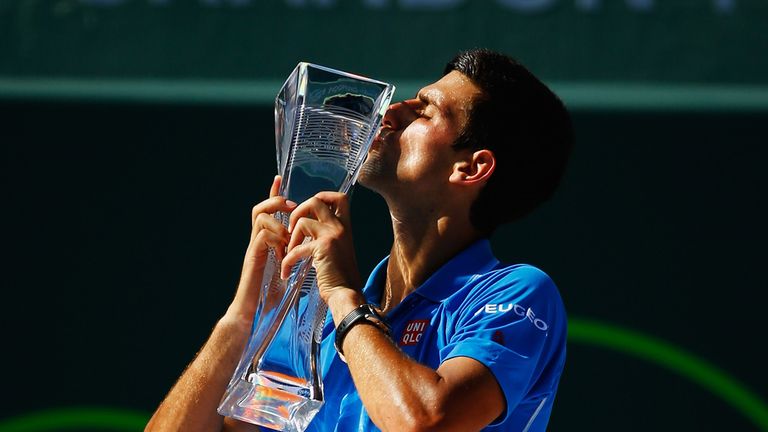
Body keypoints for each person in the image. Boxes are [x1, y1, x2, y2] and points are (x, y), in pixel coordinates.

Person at [146, 48, 573, 432]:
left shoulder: (519, 293)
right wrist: (245, 318)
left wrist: (343, 297)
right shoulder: (325, 321)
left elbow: (425, 423)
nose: (388, 114)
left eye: (425, 112)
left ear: (471, 168)